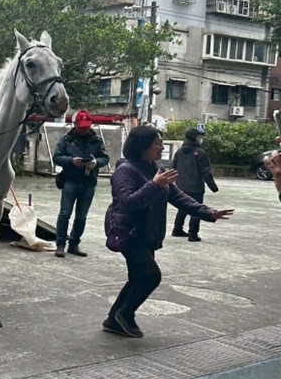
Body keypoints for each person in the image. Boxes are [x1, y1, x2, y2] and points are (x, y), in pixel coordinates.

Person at [102, 126, 233, 338]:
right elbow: (127, 202)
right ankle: (124, 315)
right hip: (130, 231)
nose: (162, 147)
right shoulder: (125, 170)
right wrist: (154, 185)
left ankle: (113, 318)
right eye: (158, 143)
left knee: (138, 277)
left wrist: (209, 213)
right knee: (151, 276)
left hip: (148, 232)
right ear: (142, 147)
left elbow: (179, 197)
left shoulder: (157, 169)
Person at [51, 110, 110, 257]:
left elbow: (105, 158)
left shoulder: (96, 140)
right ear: (75, 124)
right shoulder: (66, 139)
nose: (84, 129)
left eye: (87, 126)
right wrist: (71, 161)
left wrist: (95, 163)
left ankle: (74, 244)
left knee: (81, 217)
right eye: (81, 126)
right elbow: (57, 157)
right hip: (70, 180)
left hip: (88, 182)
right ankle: (60, 244)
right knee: (65, 214)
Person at [171, 126, 219, 241]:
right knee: (196, 209)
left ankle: (177, 229)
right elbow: (205, 172)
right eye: (199, 137)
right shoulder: (200, 153)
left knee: (182, 207)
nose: (200, 139)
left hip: (181, 185)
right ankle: (193, 234)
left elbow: (174, 168)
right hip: (195, 186)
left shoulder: (179, 152)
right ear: (194, 138)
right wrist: (213, 187)